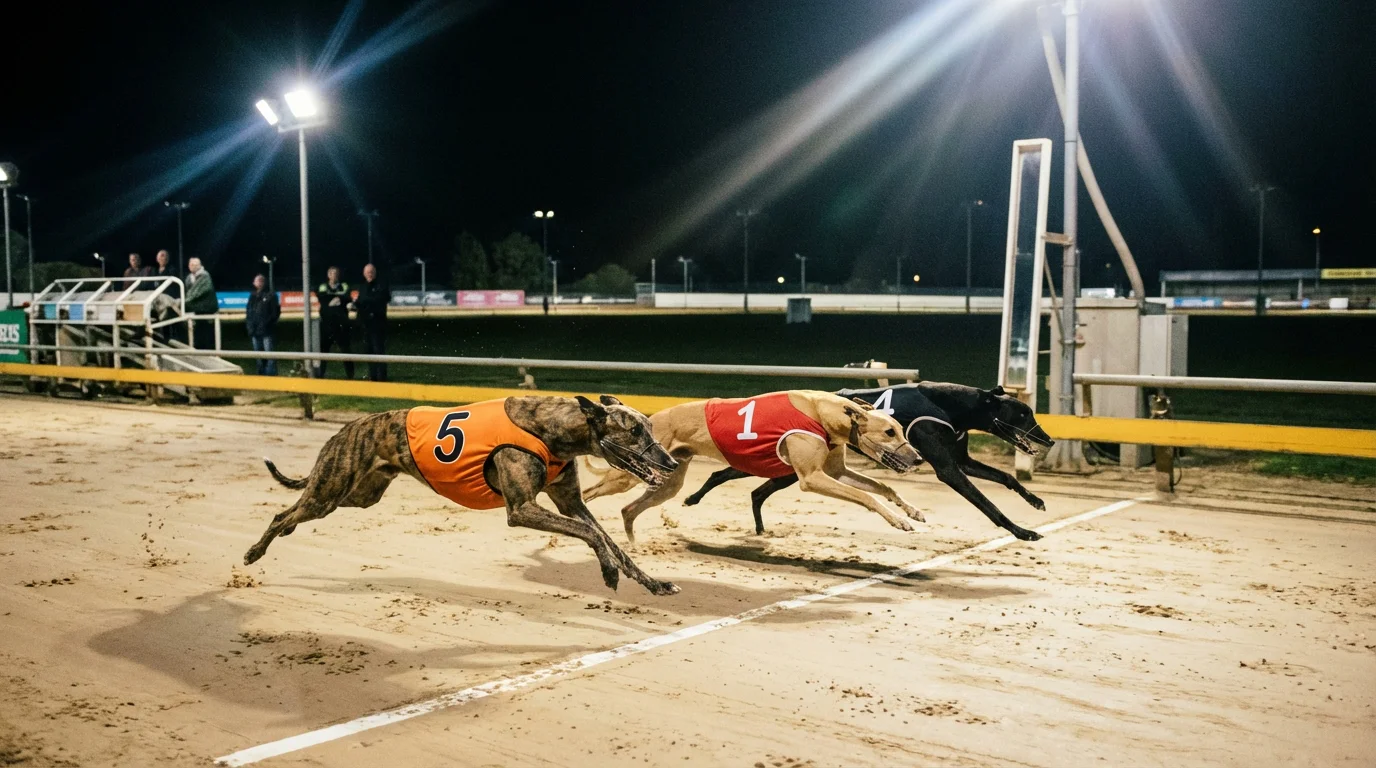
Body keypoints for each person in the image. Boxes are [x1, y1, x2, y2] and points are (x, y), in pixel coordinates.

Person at [353, 263, 391, 382]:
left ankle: (381, 376)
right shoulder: (362, 286)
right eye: (367, 272)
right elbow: (360, 302)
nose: (369, 273)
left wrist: (364, 302)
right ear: (364, 274)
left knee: (378, 349)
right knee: (368, 350)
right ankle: (372, 375)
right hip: (365, 323)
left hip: (377, 323)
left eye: (371, 271)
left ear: (375, 273)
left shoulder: (381, 285)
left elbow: (383, 298)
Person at [315, 266, 354, 378]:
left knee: (346, 350)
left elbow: (347, 297)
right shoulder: (323, 286)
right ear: (328, 275)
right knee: (323, 351)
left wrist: (337, 300)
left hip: (341, 324)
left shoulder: (344, 285)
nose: (334, 275)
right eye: (332, 273)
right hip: (327, 324)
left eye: (336, 273)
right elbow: (322, 298)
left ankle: (350, 376)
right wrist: (338, 299)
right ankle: (320, 375)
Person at [245, 274, 280, 376]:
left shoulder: (271, 295)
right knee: (258, 355)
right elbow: (248, 313)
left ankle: (270, 375)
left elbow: (275, 313)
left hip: (267, 330)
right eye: (257, 281)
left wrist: (266, 324)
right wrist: (250, 327)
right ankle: (261, 374)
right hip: (254, 330)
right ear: (254, 283)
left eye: (261, 281)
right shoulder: (252, 296)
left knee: (269, 354)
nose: (259, 283)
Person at [184, 257, 219, 349]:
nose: (193, 266)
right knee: (197, 332)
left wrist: (182, 303)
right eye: (191, 264)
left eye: (195, 265)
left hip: (207, 309)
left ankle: (208, 352)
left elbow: (194, 294)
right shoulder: (189, 278)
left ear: (200, 266)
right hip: (196, 309)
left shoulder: (205, 276)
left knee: (206, 333)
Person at [152, 250, 183, 343]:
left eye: (164, 256)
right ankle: (165, 341)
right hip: (160, 302)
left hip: (171, 301)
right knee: (163, 322)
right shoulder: (155, 271)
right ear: (157, 259)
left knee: (173, 323)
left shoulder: (172, 270)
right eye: (160, 256)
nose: (162, 258)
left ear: (168, 258)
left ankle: (176, 342)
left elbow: (174, 287)